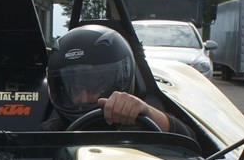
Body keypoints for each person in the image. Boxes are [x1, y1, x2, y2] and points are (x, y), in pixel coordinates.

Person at [43, 24, 189, 135]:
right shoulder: (50, 134)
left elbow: (191, 144)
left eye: (94, 87)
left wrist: (148, 113)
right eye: (74, 89)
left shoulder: (143, 127)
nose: (82, 99)